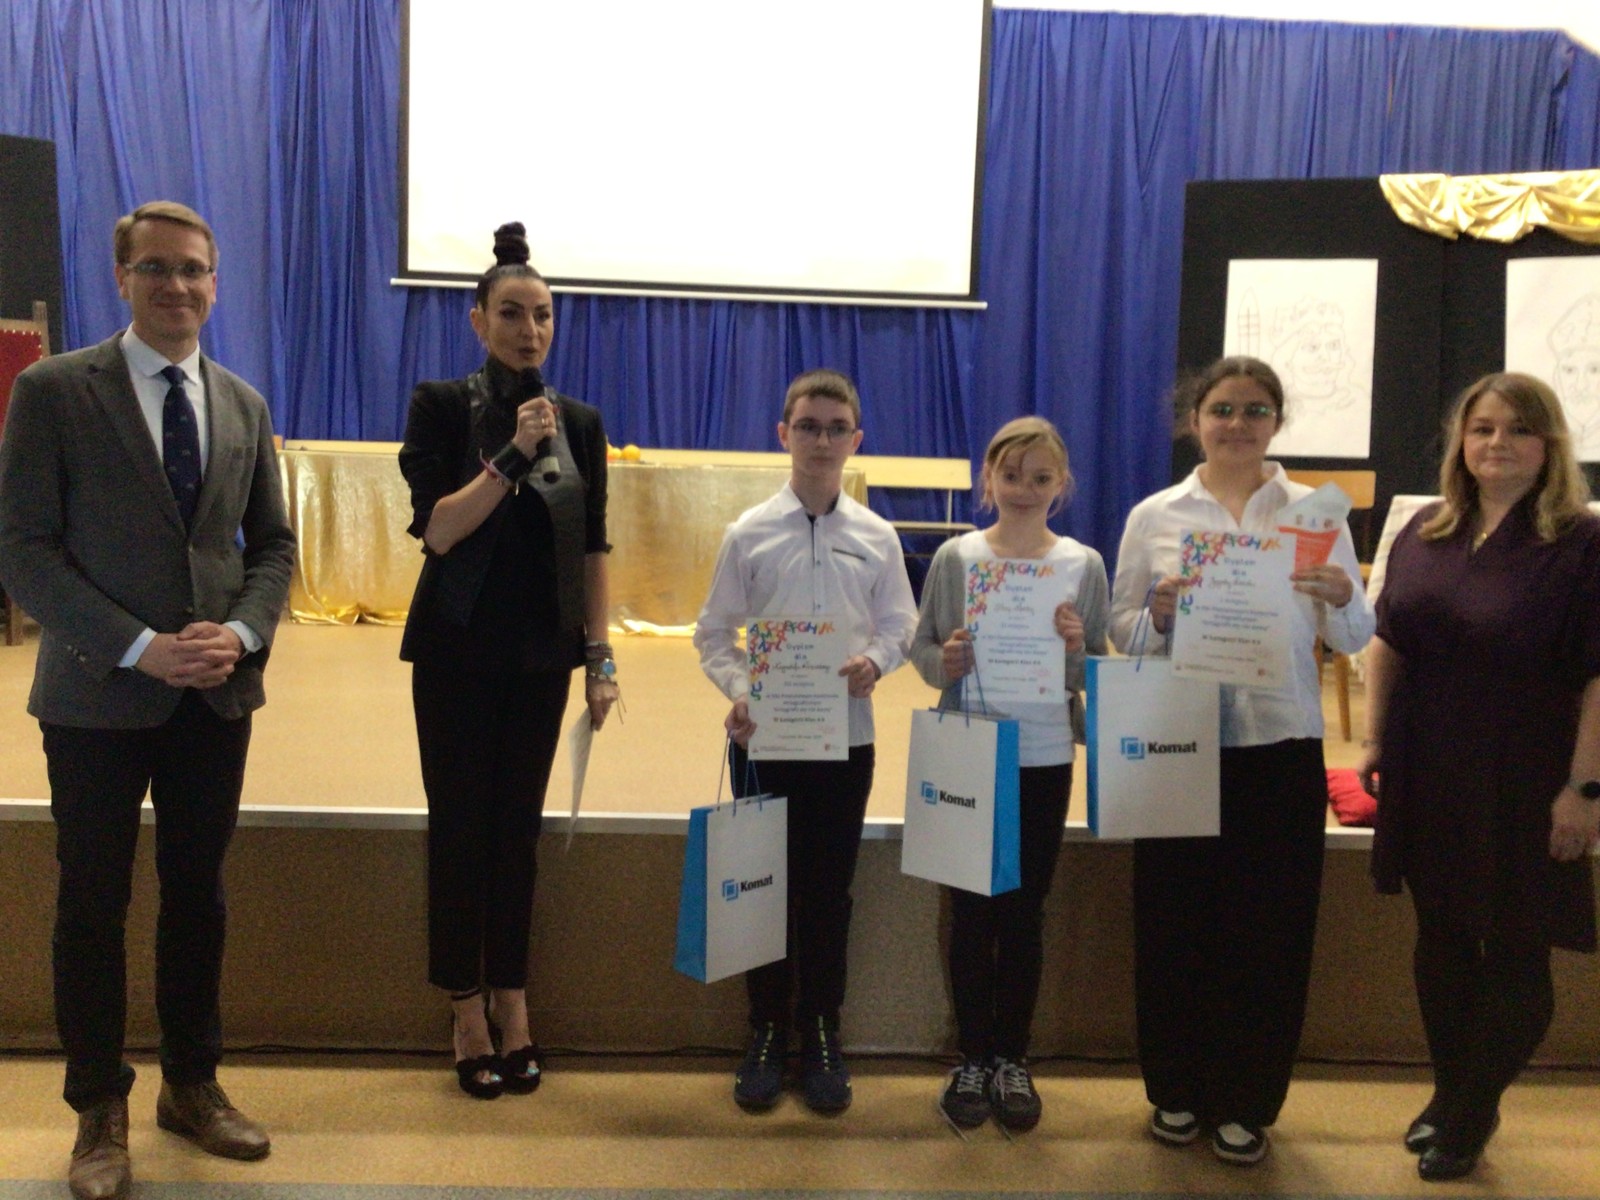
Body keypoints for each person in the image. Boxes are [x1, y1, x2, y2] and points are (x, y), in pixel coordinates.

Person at [0, 200, 295, 1200]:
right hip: (95, 697)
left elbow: (272, 547)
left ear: (217, 283)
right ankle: (98, 1109)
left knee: (197, 899)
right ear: (122, 277)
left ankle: (192, 1086)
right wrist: (140, 648)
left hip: (214, 699)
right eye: (157, 268)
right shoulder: (52, 391)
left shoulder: (243, 403)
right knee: (92, 903)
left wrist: (240, 633)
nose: (178, 286)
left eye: (194, 269)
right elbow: (23, 551)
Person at [1108, 355, 1373, 1165]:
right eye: (1222, 409)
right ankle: (1176, 1089)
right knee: (1172, 923)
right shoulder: (1155, 514)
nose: (1238, 423)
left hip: (1280, 745)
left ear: (1276, 422)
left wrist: (1341, 596)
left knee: (1270, 933)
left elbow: (1356, 636)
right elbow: (1122, 630)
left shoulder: (1313, 511)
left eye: (1256, 410)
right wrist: (1157, 615)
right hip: (1178, 741)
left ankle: (1246, 1100)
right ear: (1196, 419)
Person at [1358, 372, 1600, 1182]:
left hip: (1530, 767)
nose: (1499, 443)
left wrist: (1585, 790)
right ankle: (1451, 1092)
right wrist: (1374, 741)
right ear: (1461, 441)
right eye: (1483, 428)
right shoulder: (1426, 527)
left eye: (1519, 430)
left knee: (1520, 947)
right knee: (1443, 938)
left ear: (1549, 445)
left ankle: (1469, 1111)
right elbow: (1388, 637)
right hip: (1428, 760)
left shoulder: (1582, 540)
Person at [398, 222, 618, 1100]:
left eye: (544, 316)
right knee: (460, 829)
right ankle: (464, 1008)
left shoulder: (582, 423)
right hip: (454, 653)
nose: (531, 331)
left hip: (539, 657)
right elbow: (440, 531)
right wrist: (513, 453)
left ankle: (514, 1001)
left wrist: (600, 657)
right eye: (514, 314)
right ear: (478, 320)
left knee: (517, 834)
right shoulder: (441, 407)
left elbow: (593, 547)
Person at [695, 367, 917, 1114]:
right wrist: (740, 689)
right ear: (783, 434)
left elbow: (901, 625)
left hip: (845, 744)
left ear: (856, 440)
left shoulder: (877, 537)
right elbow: (712, 634)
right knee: (762, 890)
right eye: (809, 426)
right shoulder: (749, 533)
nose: (822, 440)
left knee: (827, 894)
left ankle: (822, 1031)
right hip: (764, 743)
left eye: (836, 428)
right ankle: (765, 1030)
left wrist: (876, 662)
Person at [908, 416, 1109, 1132]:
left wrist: (1077, 648)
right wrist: (945, 662)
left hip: (1045, 755)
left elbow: (1095, 673)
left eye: (1041, 477)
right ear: (988, 478)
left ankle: (1011, 1058)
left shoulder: (1083, 564)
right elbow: (922, 648)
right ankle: (971, 1056)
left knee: (1024, 914)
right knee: (970, 912)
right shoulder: (957, 558)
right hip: (967, 749)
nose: (1025, 488)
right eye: (1012, 474)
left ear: (1063, 484)